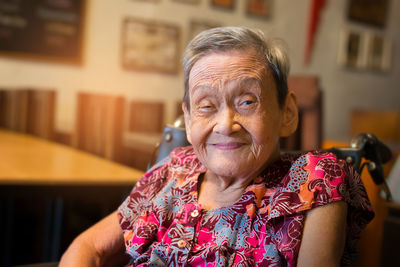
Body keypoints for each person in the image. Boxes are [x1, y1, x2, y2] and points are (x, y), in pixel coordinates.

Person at [60, 26, 374, 266]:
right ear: (187, 115)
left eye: (247, 101)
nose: (225, 124)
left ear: (287, 113)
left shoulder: (313, 179)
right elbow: (88, 247)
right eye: (206, 106)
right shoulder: (176, 167)